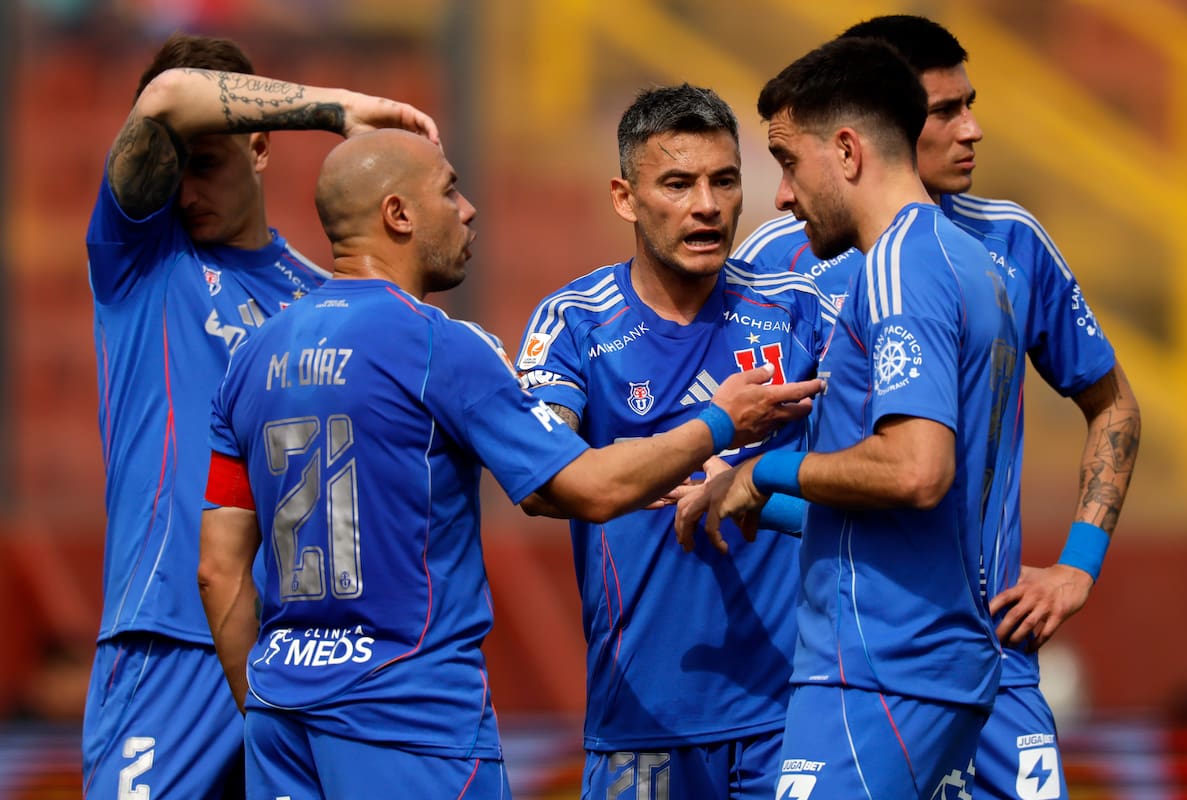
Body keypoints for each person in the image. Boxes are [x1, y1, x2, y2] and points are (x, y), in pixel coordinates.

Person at [197, 128, 822, 800]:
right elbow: (585, 485)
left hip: (280, 715)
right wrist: (722, 422)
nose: (467, 210)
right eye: (449, 191)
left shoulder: (251, 357)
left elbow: (217, 568)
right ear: (398, 215)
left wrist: (266, 701)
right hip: (409, 713)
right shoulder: (442, 345)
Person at [732, 16, 1141, 799]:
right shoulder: (780, 260)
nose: (971, 129)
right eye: (943, 111)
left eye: (969, 104)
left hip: (988, 654)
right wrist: (765, 488)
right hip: (866, 645)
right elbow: (747, 449)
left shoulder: (1008, 242)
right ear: (881, 123)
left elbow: (1114, 407)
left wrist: (1076, 567)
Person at [83, 32, 440, 800]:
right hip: (165, 641)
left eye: (205, 165)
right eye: (176, 168)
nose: (182, 192)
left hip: (296, 656)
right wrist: (341, 107)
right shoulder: (139, 258)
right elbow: (164, 99)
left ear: (260, 147)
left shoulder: (320, 302)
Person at [676, 37, 1021, 798]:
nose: (782, 197)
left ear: (846, 150)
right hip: (927, 667)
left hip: (883, 672)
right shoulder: (969, 262)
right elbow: (919, 507)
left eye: (789, 165)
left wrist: (764, 471)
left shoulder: (901, 264)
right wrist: (751, 494)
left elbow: (915, 470)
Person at [514, 84, 835, 799]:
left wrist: (757, 489)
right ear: (625, 198)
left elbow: (870, 490)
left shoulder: (799, 313)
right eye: (678, 184)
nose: (708, 206)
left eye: (724, 181)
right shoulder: (574, 325)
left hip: (793, 714)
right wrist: (716, 429)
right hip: (645, 718)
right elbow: (544, 485)